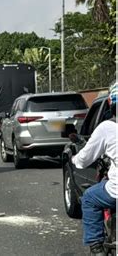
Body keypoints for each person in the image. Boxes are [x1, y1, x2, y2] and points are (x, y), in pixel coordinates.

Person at [72, 82, 117, 256]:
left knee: (90, 198)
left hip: (115, 191)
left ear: (111, 103)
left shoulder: (107, 128)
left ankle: (97, 248)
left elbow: (84, 159)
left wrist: (75, 160)